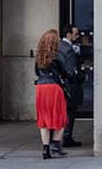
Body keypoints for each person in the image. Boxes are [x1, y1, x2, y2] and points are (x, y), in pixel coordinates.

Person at [34, 29, 69, 159]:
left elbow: (37, 72)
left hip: (41, 88)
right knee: (60, 117)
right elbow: (65, 72)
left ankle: (45, 149)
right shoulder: (57, 56)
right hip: (54, 88)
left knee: (44, 119)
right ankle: (56, 144)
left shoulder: (39, 56)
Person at [57, 25, 87, 149]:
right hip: (70, 85)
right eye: (76, 34)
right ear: (68, 35)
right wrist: (82, 76)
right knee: (70, 112)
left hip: (63, 84)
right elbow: (71, 71)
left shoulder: (61, 46)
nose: (78, 36)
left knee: (66, 111)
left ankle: (64, 137)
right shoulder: (68, 49)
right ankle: (67, 137)